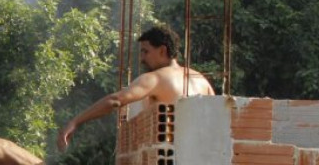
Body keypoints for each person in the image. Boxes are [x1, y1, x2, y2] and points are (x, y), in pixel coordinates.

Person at [58, 24, 215, 151]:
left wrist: (75, 122)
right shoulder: (201, 80)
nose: (141, 59)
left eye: (145, 52)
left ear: (162, 50)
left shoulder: (156, 78)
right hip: (201, 160)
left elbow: (115, 101)